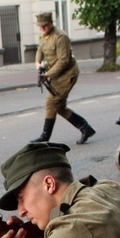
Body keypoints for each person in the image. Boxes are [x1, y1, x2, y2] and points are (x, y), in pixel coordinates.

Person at [32, 12, 95, 145]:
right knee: (59, 107)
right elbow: (40, 50)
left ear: (50, 23)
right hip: (56, 74)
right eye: (40, 27)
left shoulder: (60, 37)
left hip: (67, 75)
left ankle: (45, 136)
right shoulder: (43, 35)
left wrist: (47, 75)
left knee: (51, 103)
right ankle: (85, 128)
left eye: (44, 26)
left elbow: (63, 61)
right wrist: (38, 64)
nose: (42, 29)